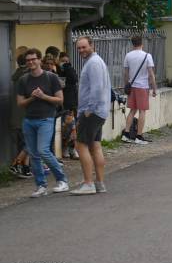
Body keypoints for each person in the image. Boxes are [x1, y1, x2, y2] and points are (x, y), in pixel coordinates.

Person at [16, 48, 69, 197]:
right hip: (29, 120)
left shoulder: (51, 77)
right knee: (33, 154)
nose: (31, 62)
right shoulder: (23, 80)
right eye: (28, 60)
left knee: (43, 150)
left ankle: (62, 180)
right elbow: (20, 103)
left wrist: (43, 96)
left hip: (46, 119)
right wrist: (32, 98)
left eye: (34, 59)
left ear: (40, 60)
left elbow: (60, 100)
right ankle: (41, 185)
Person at [70, 36, 111, 195]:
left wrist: (88, 110)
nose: (81, 50)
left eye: (84, 47)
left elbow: (97, 88)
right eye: (79, 48)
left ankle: (88, 183)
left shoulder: (93, 63)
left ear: (92, 45)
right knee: (95, 145)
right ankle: (100, 183)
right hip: (100, 111)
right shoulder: (97, 61)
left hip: (92, 111)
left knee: (81, 145)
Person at [121, 35, 157, 144]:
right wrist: (154, 88)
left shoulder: (128, 55)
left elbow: (126, 73)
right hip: (142, 86)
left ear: (132, 44)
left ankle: (126, 134)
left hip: (132, 86)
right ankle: (139, 136)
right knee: (142, 111)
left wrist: (127, 85)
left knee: (132, 110)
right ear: (142, 43)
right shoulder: (147, 56)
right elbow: (151, 74)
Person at [9, 47, 32, 179]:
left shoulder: (16, 75)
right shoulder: (27, 77)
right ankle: (18, 164)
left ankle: (24, 167)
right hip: (26, 114)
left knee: (22, 143)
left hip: (15, 116)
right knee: (30, 142)